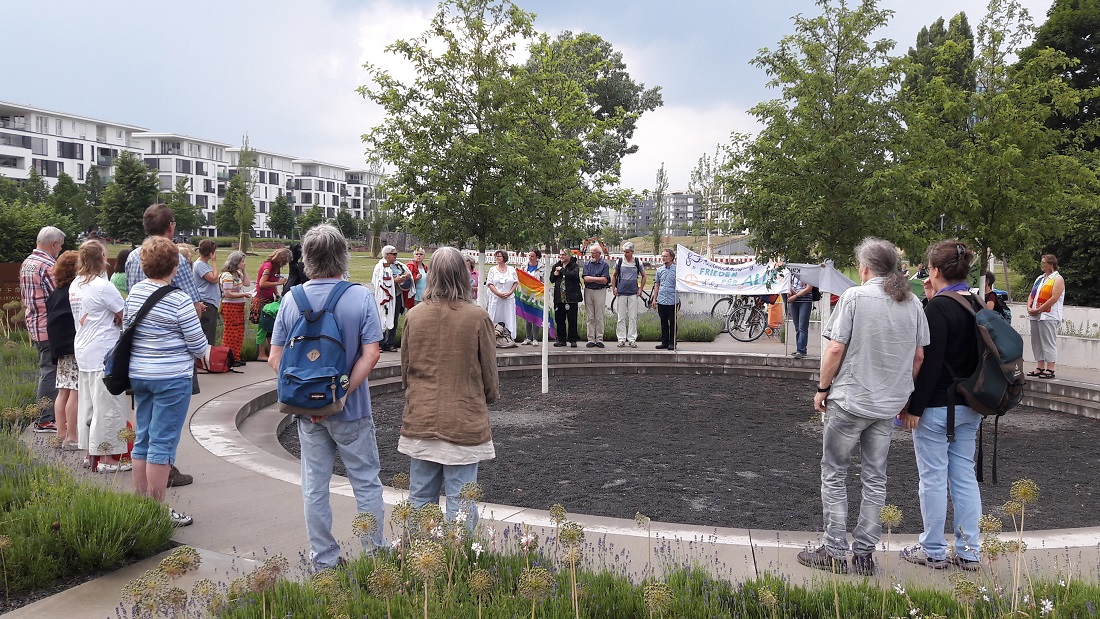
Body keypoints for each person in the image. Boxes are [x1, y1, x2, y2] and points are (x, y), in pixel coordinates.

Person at [799, 237, 929, 576]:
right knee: (875, 478)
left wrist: (822, 388)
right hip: (886, 406)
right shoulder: (913, 302)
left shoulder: (855, 297)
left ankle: (833, 549)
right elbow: (918, 356)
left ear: (865, 267)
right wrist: (905, 395)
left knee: (835, 473)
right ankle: (864, 555)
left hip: (850, 400)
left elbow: (835, 350)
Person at [269, 224, 386, 569]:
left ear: (306, 260)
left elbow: (275, 357)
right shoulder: (360, 296)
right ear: (343, 256)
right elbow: (372, 353)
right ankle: (374, 557)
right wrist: (337, 394)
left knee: (314, 485)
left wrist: (310, 398)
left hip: (306, 413)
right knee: (365, 481)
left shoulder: (292, 299)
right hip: (352, 409)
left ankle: (323, 559)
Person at [400, 246, 499, 531]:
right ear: (463, 275)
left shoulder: (414, 316)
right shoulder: (477, 317)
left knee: (420, 497)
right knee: (461, 500)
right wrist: (488, 397)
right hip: (463, 419)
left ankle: (420, 562)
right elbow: (489, 371)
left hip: (422, 416)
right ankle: (459, 563)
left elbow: (405, 370)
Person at [898, 240, 982, 571]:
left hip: (935, 408)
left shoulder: (937, 308)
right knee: (964, 476)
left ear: (933, 271)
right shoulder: (975, 302)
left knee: (932, 478)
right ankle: (969, 551)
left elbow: (929, 363)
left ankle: (933, 550)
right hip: (970, 405)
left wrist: (912, 408)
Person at [125, 236, 210, 527]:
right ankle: (157, 512)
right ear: (175, 266)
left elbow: (128, 330)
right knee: (162, 445)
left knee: (143, 439)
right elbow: (198, 345)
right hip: (171, 378)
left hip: (140, 375)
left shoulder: (135, 292)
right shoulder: (179, 299)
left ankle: (140, 506)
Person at [70, 240, 130, 473]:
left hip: (83, 348)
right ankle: (107, 457)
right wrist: (117, 316)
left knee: (88, 404)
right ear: (102, 258)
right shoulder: (103, 286)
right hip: (103, 351)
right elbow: (125, 313)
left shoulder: (76, 284)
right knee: (108, 405)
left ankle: (90, 454)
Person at [20, 226, 65, 433]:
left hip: (34, 323)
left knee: (46, 368)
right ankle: (44, 418)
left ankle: (46, 415)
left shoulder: (27, 262)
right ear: (53, 244)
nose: (60, 251)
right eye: (60, 246)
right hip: (49, 325)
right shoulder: (48, 266)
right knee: (50, 370)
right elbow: (58, 296)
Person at [45, 251, 79, 449]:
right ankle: (72, 436)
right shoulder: (73, 293)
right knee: (75, 391)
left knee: (63, 391)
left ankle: (60, 433)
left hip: (59, 348)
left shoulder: (55, 293)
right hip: (73, 346)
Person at [1026, 254, 1065, 379]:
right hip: (1035, 314)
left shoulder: (1057, 279)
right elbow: (1032, 295)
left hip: (1048, 315)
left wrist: (1039, 309)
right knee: (1036, 341)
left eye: (1044, 263)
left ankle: (1050, 368)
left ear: (1051, 264)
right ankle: (1040, 365)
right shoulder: (1040, 278)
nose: (1042, 265)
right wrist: (1029, 307)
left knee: (1048, 341)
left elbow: (1054, 298)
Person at [255, 248, 291, 362]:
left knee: (270, 327)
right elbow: (262, 283)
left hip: (270, 298)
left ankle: (271, 352)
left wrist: (276, 293)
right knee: (263, 327)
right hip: (262, 299)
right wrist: (278, 283)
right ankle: (261, 353)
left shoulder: (275, 268)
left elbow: (271, 282)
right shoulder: (268, 266)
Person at [371, 245, 410, 352]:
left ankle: (390, 343)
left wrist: (405, 277)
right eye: (394, 254)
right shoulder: (380, 266)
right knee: (382, 318)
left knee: (394, 319)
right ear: (387, 255)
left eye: (396, 254)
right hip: (384, 297)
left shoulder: (398, 266)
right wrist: (393, 280)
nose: (396, 256)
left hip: (396, 296)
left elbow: (406, 274)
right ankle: (380, 343)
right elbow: (378, 281)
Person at [612, 242, 646, 348]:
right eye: (624, 252)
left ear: (632, 252)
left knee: (633, 317)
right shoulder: (620, 261)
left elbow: (644, 276)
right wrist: (614, 288)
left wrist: (640, 289)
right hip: (621, 292)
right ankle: (621, 339)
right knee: (620, 317)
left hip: (633, 293)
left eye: (627, 252)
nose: (625, 254)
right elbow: (614, 275)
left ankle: (632, 339)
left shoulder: (637, 262)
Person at [219, 251, 251, 362]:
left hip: (239, 305)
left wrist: (243, 270)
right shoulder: (227, 276)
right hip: (230, 305)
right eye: (242, 262)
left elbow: (247, 283)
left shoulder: (237, 274)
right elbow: (228, 293)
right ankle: (227, 357)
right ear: (235, 262)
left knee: (239, 331)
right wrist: (243, 294)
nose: (244, 263)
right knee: (230, 331)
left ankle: (236, 356)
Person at [550, 249, 582, 348]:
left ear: (569, 256)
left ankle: (573, 339)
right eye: (560, 254)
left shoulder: (574, 265)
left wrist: (562, 270)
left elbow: (574, 275)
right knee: (559, 319)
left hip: (571, 296)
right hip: (559, 297)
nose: (561, 256)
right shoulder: (556, 265)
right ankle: (561, 339)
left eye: (564, 254)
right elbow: (551, 279)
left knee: (572, 319)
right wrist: (555, 274)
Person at [485, 250, 518, 339]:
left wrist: (510, 293)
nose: (497, 258)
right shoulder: (492, 269)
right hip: (496, 299)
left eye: (499, 256)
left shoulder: (511, 269)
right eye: (496, 256)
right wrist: (498, 293)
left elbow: (515, 282)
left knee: (508, 317)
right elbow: (490, 283)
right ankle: (493, 336)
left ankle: (509, 336)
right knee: (494, 316)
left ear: (504, 257)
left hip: (508, 299)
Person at [193, 240, 220, 346]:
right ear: (211, 253)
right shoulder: (200, 265)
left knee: (211, 332)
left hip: (211, 302)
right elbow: (214, 279)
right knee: (207, 333)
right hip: (206, 302)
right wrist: (214, 262)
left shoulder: (204, 264)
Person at [582, 246, 610, 348]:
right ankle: (590, 339)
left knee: (599, 316)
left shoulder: (605, 265)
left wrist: (592, 278)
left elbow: (604, 280)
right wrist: (598, 278)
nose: (592, 255)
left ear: (599, 254)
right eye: (591, 253)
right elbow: (585, 279)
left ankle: (599, 339)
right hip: (588, 290)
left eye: (594, 253)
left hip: (600, 291)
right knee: (590, 316)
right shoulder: (586, 264)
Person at [651, 248, 677, 351]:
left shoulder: (676, 270)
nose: (663, 258)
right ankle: (664, 341)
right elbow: (657, 285)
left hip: (673, 299)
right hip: (662, 299)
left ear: (671, 258)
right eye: (662, 256)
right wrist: (654, 299)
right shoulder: (660, 270)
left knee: (673, 322)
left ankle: (672, 342)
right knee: (663, 321)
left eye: (665, 256)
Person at [787, 272, 813, 358]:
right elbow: (789, 284)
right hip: (794, 301)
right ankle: (800, 348)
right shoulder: (792, 273)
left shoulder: (808, 272)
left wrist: (796, 296)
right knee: (797, 327)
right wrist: (790, 290)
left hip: (805, 301)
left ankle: (801, 350)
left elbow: (809, 288)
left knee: (802, 327)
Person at [521, 250, 544, 345]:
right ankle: (528, 337)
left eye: (532, 256)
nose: (530, 258)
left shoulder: (542, 267)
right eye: (529, 255)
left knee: (535, 316)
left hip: (537, 294)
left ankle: (535, 338)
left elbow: (544, 281)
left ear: (537, 257)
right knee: (527, 316)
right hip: (526, 294)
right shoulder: (524, 266)